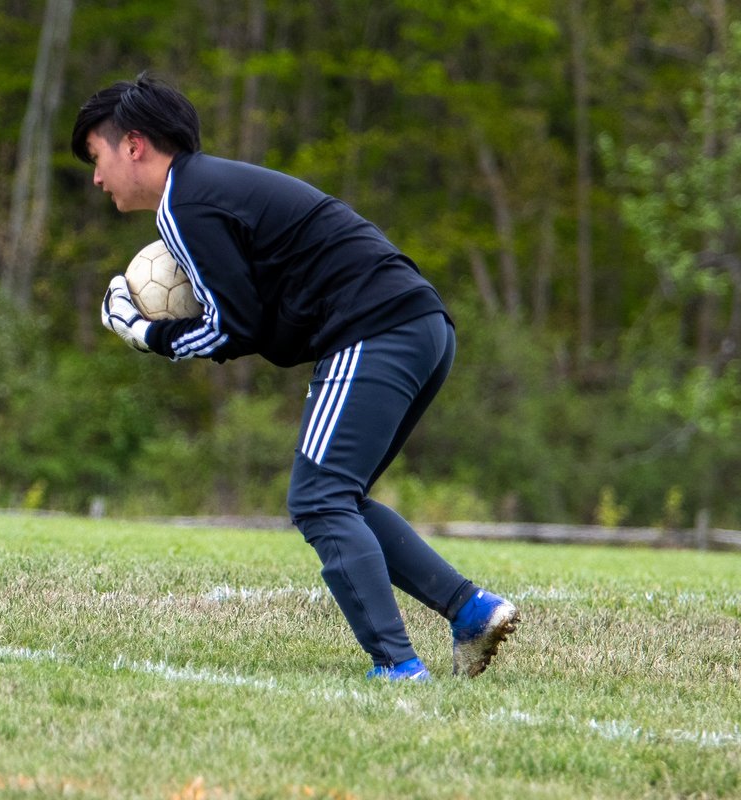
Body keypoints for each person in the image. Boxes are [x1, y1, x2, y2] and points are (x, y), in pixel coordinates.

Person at [71, 73, 519, 681]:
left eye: (96, 156)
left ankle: (397, 667)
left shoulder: (186, 203)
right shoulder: (209, 188)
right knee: (342, 497)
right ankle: (470, 611)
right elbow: (253, 317)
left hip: (375, 328)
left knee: (318, 499)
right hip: (420, 325)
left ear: (133, 145)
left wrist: (146, 332)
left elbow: (237, 326)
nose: (95, 178)